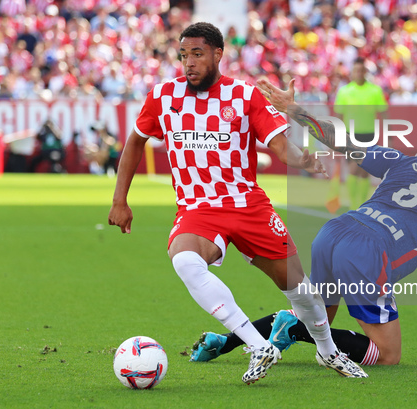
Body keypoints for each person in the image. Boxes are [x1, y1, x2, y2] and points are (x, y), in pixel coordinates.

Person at [107, 22, 367, 384]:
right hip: (198, 210)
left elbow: (279, 146)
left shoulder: (244, 96)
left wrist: (305, 160)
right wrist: (120, 200)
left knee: (299, 289)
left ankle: (328, 351)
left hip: (248, 206)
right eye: (183, 55)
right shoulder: (163, 96)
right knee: (183, 258)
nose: (189, 63)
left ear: (217, 54)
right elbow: (135, 142)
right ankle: (258, 345)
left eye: (197, 54)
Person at [191, 78, 417, 366]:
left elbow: (342, 142)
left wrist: (295, 109)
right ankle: (293, 328)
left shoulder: (400, 161)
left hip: (334, 232)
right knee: (388, 355)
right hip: (370, 250)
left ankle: (224, 342)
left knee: (314, 314)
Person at [333, 57, 388, 210]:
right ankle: (353, 203)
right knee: (354, 168)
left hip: (369, 135)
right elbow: (339, 116)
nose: (358, 73)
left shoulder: (375, 90)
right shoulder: (344, 91)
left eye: (361, 70)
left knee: (365, 172)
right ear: (352, 72)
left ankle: (361, 204)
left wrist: (389, 135)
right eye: (355, 70)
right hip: (351, 135)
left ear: (365, 72)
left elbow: (383, 113)